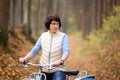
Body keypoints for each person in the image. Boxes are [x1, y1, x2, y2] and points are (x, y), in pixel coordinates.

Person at [19, 14, 70, 80]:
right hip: (44, 69)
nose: (56, 26)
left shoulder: (63, 36)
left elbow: (66, 51)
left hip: (58, 69)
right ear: (49, 25)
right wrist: (24, 59)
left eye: (57, 24)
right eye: (53, 24)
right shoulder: (43, 36)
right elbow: (35, 49)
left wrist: (61, 60)